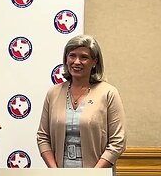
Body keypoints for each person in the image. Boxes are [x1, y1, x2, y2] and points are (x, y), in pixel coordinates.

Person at [37, 34, 126, 169]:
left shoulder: (108, 93)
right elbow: (43, 137)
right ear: (66, 59)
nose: (77, 61)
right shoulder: (53, 93)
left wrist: (94, 173)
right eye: (72, 55)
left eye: (84, 57)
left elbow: (118, 141)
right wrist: (55, 172)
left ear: (94, 62)